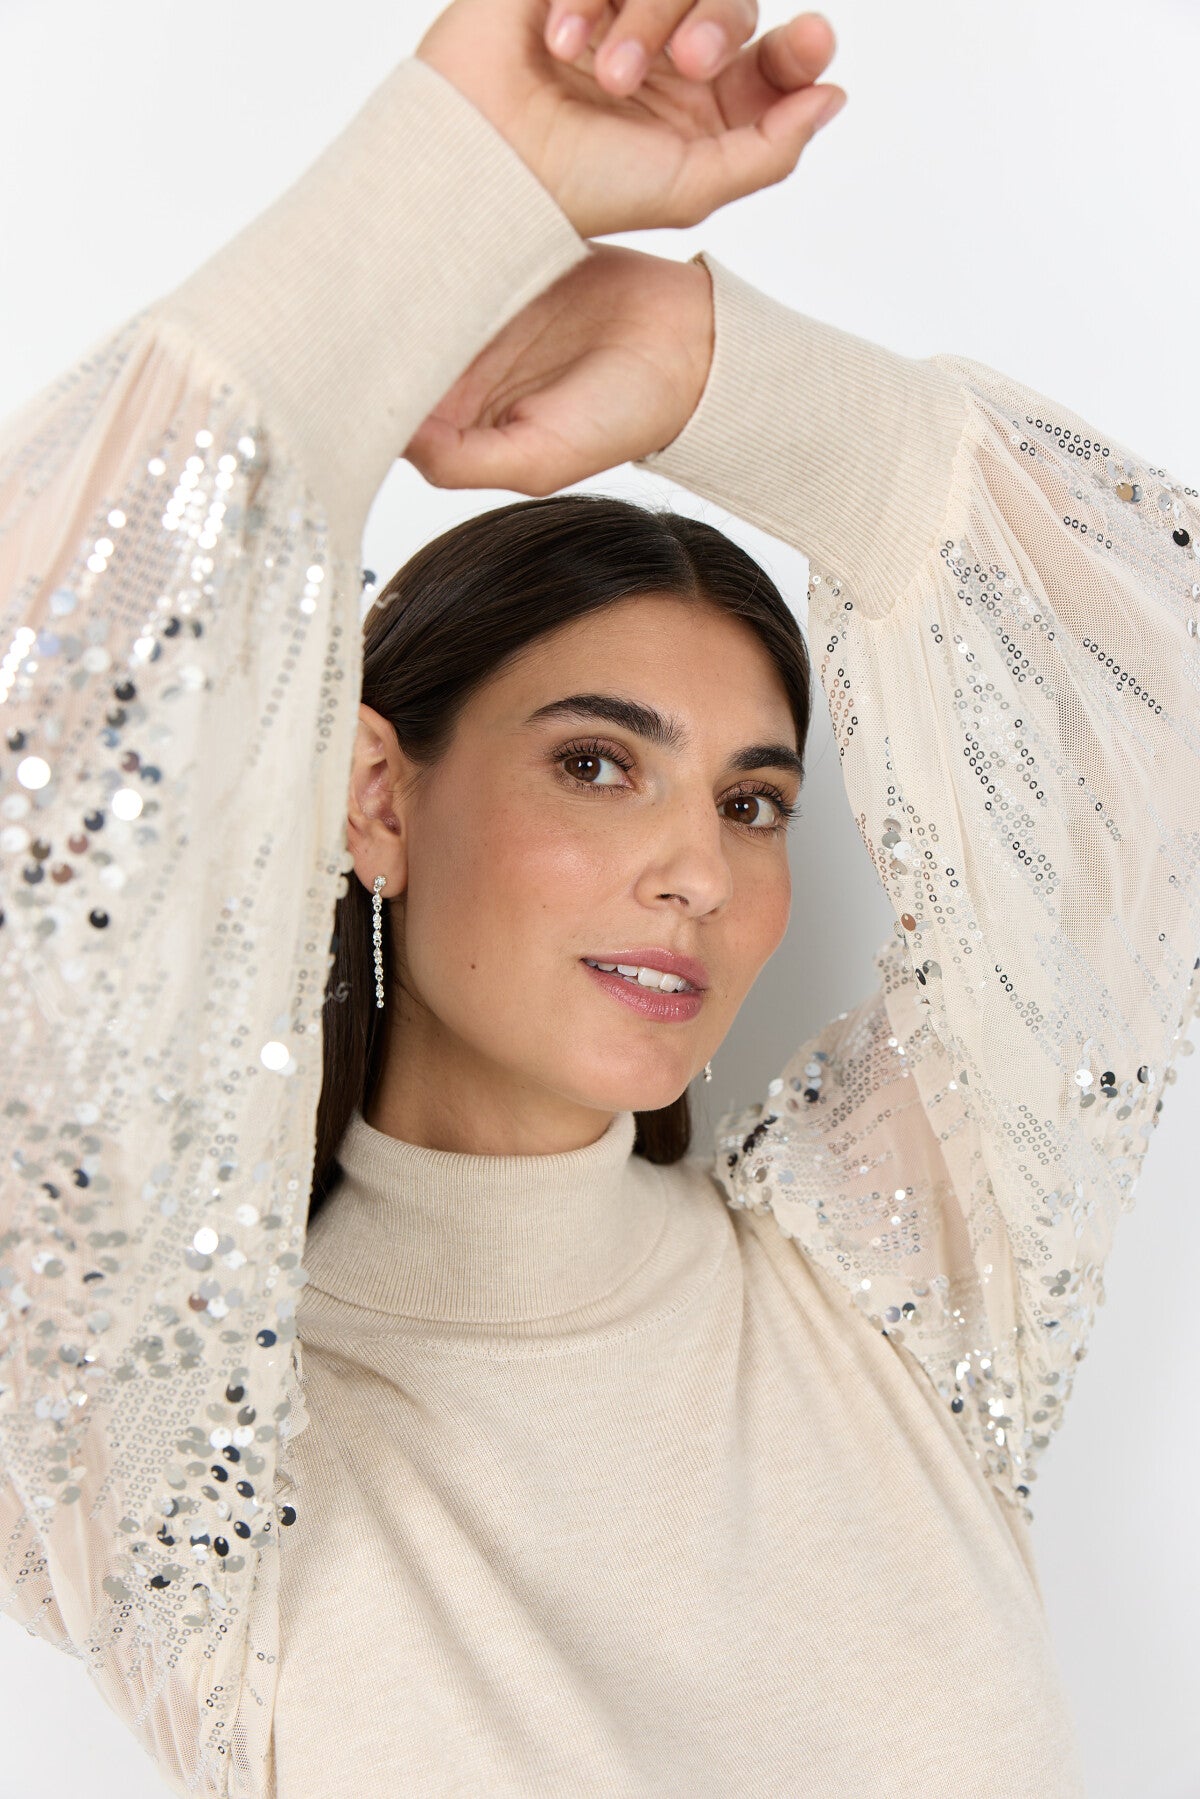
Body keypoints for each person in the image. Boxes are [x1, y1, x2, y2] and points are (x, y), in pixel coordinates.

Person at [0, 2, 1195, 1794]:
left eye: (754, 800)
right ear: (376, 799)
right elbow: (52, 730)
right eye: (594, 764)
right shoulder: (173, 1454)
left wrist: (720, 366)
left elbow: (1151, 711)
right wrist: (453, 177)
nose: (700, 869)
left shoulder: (907, 1284)